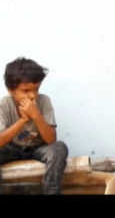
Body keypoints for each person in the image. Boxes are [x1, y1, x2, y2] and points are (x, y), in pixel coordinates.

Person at [0, 57, 69, 194]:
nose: (33, 95)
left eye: (36, 89)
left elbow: (51, 140)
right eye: (26, 91)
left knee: (60, 148)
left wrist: (36, 115)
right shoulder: (5, 105)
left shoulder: (44, 102)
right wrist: (23, 121)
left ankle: (51, 191)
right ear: (11, 90)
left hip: (38, 148)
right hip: (12, 148)